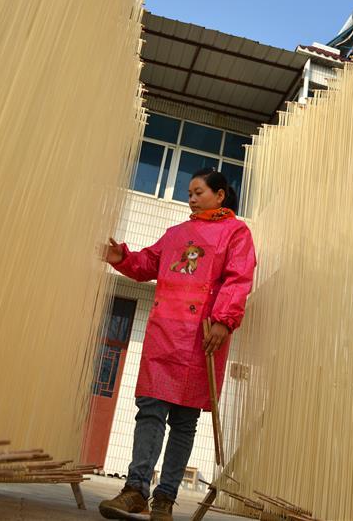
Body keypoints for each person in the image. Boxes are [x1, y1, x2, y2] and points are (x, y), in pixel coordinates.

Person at [98, 168, 256, 521]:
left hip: (203, 338)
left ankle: (165, 499)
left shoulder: (236, 232)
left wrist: (224, 320)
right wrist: (121, 258)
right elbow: (148, 263)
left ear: (220, 195)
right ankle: (135, 489)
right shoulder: (176, 234)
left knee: (184, 422)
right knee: (150, 411)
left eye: (199, 191)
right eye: (189, 192)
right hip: (163, 335)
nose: (192, 197)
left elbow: (239, 277)